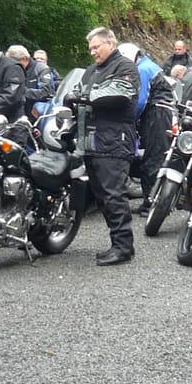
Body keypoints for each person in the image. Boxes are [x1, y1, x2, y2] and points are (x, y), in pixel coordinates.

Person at [68, 27, 140, 266]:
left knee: (113, 195)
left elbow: (119, 93)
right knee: (101, 196)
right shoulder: (91, 70)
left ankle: (123, 247)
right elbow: (76, 91)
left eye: (96, 47)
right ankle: (117, 244)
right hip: (92, 141)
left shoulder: (125, 67)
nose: (92, 52)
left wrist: (83, 95)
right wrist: (70, 99)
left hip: (115, 140)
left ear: (110, 44)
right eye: (90, 48)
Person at [118, 42, 175, 213]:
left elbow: (140, 101)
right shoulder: (150, 65)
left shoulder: (142, 69)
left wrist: (128, 118)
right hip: (162, 113)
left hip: (157, 114)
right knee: (157, 156)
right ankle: (157, 201)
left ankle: (151, 204)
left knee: (153, 159)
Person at [5, 45, 55, 120]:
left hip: (36, 113)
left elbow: (46, 92)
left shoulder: (41, 69)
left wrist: (21, 91)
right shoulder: (14, 69)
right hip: (16, 112)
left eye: (15, 63)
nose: (13, 66)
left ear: (24, 59)